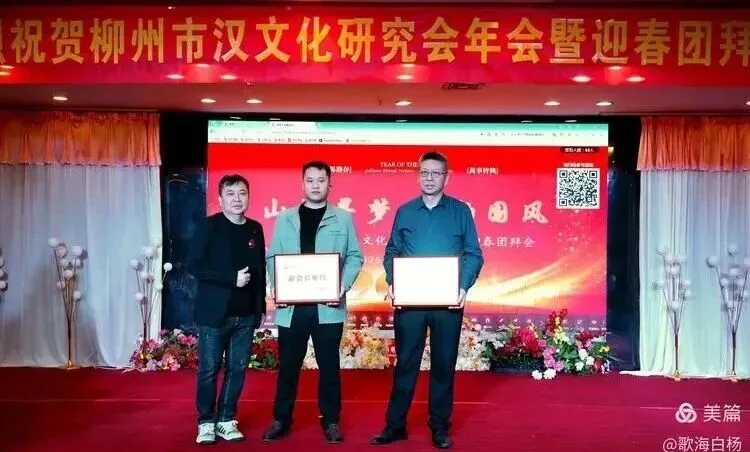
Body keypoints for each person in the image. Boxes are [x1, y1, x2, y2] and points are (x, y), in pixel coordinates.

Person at [371, 151, 484, 449]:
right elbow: (392, 251)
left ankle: (440, 426)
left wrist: (463, 286)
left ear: (446, 177)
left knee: (444, 364)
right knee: (405, 363)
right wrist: (394, 280)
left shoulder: (460, 211)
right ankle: (395, 425)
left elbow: (474, 253)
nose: (430, 178)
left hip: (448, 303)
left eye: (436, 173)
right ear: (417, 175)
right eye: (424, 173)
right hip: (411, 303)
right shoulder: (405, 211)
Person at [262, 161, 364, 444]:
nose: (315, 185)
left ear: (330, 184)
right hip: (292, 308)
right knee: (288, 367)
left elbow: (355, 256)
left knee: (329, 367)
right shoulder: (285, 218)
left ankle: (331, 421)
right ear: (302, 184)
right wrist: (277, 285)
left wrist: (342, 285)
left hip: (328, 307)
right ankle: (281, 419)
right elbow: (272, 257)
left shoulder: (343, 219)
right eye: (310, 180)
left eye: (321, 180)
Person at [186, 174, 266, 445]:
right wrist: (231, 279)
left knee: (238, 369)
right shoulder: (209, 226)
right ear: (220, 199)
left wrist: (260, 308)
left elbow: (259, 271)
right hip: (214, 314)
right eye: (230, 194)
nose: (237, 199)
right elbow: (194, 266)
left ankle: (226, 419)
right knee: (209, 370)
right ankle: (206, 422)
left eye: (242, 193)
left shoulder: (255, 228)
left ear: (249, 197)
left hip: (246, 314)